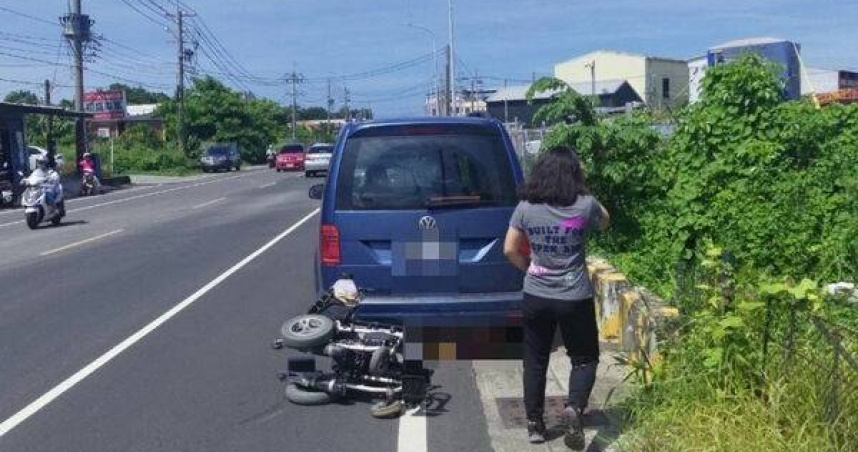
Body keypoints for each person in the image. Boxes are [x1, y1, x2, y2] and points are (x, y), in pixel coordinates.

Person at [503, 146, 610, 449]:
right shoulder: (585, 204)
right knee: (585, 358)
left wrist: (530, 270)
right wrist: (584, 191)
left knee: (535, 360)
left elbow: (509, 249)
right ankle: (573, 409)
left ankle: (535, 425)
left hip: (536, 293)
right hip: (575, 297)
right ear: (574, 173)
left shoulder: (525, 206)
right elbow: (606, 221)